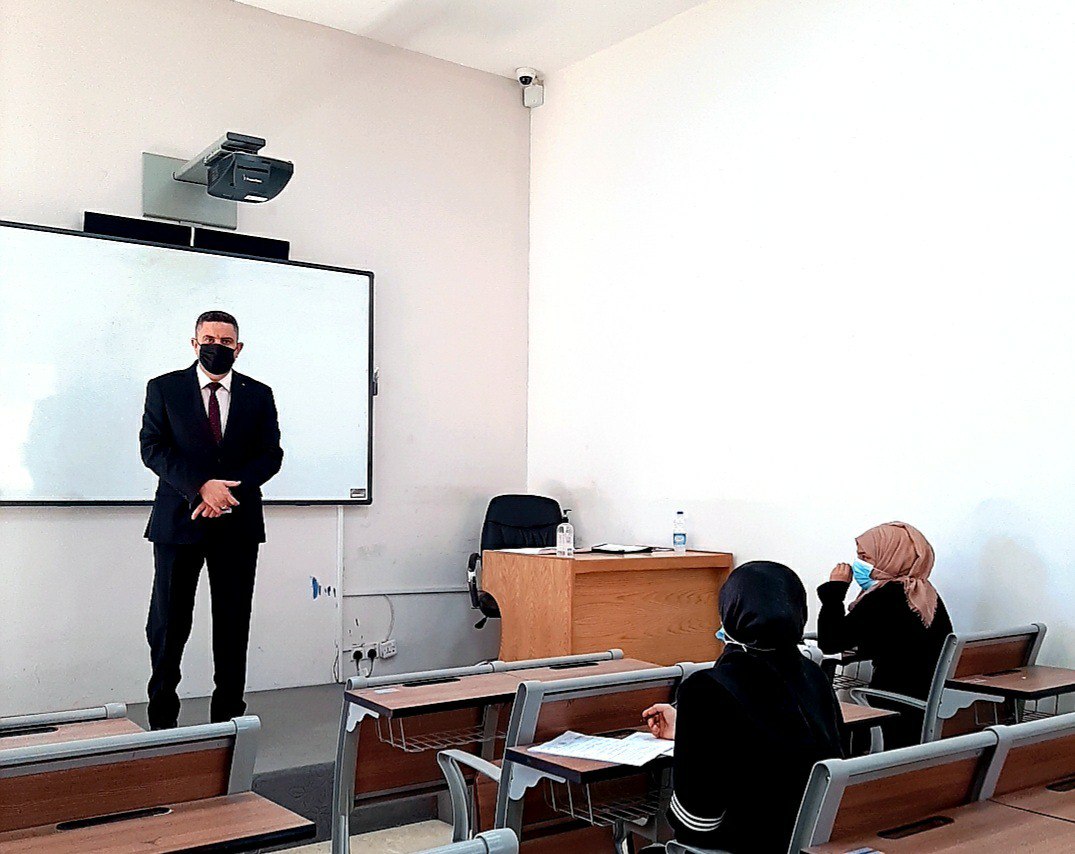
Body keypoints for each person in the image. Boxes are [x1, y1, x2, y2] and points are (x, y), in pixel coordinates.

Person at [140, 310, 283, 729]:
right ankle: (162, 722)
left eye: (225, 342)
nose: (216, 347)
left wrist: (226, 493)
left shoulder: (259, 394)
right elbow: (153, 447)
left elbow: (270, 454)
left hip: (237, 524)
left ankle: (228, 724)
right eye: (209, 340)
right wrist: (201, 487)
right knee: (168, 624)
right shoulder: (164, 388)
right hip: (178, 522)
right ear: (194, 343)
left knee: (233, 623)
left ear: (238, 348)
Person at [642, 562, 843, 853]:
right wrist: (689, 729)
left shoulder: (706, 689)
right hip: (815, 844)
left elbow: (697, 822)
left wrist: (696, 736)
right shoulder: (814, 675)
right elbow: (778, 735)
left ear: (729, 612)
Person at [816, 521, 953, 747]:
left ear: (891, 557)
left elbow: (830, 642)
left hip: (895, 708)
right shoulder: (924, 594)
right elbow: (894, 639)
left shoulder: (885, 597)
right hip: (922, 705)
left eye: (865, 557)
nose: (858, 564)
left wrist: (835, 591)